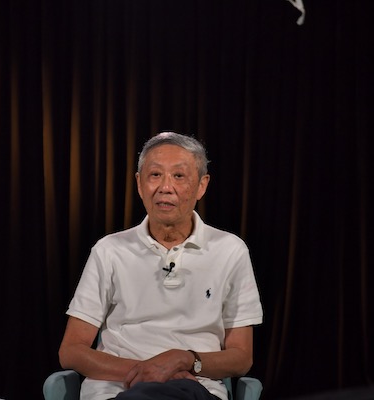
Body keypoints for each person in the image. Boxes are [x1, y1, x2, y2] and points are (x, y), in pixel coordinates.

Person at [58, 132, 263, 400]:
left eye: (178, 176)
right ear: (139, 183)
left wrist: (184, 359)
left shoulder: (230, 250)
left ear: (202, 185)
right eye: (155, 175)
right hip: (115, 389)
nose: (165, 187)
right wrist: (150, 371)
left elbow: (241, 358)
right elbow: (71, 351)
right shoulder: (109, 250)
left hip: (196, 388)